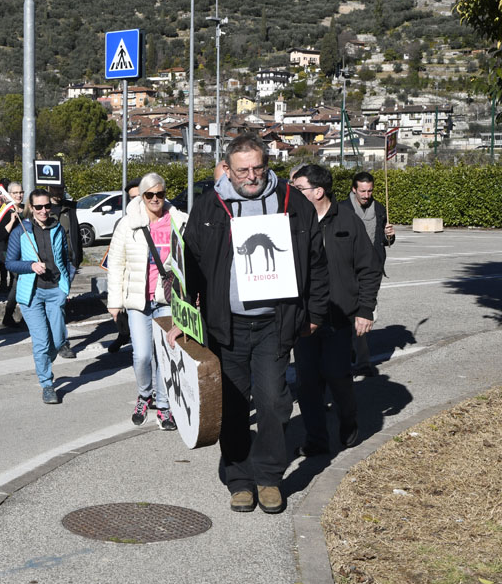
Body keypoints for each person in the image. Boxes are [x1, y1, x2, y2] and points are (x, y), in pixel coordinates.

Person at [169, 132, 329, 515]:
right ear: (227, 168)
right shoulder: (209, 207)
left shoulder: (293, 204)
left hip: (275, 323)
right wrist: (182, 319)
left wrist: (317, 314)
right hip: (226, 329)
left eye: (258, 167)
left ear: (266, 164)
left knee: (274, 402)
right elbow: (185, 267)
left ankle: (270, 477)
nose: (251, 176)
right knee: (234, 407)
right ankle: (239, 479)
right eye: (243, 170)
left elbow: (317, 264)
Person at [290, 164, 381, 456]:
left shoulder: (348, 221)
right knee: (307, 382)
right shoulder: (291, 220)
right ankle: (316, 439)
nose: (292, 193)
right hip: (303, 318)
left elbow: (369, 268)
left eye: (298, 188)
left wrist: (365, 309)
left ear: (318, 191)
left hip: (339, 315)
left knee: (337, 375)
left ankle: (348, 420)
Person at [106, 173, 185, 430]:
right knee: (142, 356)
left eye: (159, 194)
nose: (155, 199)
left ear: (165, 194)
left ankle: (163, 407)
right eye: (149, 195)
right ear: (141, 196)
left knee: (165, 356)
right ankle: (144, 395)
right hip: (138, 301)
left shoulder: (178, 220)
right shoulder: (128, 224)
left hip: (167, 300)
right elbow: (116, 264)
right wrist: (114, 301)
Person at [6, 188, 76, 404]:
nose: (44, 210)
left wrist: (66, 285)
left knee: (57, 341)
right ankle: (47, 384)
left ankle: (46, 361)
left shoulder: (57, 228)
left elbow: (67, 258)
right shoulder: (21, 231)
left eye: (47, 206)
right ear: (31, 208)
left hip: (55, 291)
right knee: (42, 342)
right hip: (32, 294)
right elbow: (10, 262)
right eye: (39, 207)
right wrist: (31, 265)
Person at [340, 171, 396, 378]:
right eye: (362, 191)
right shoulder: (341, 209)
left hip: (371, 270)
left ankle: (357, 356)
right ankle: (360, 362)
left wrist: (390, 236)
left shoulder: (380, 209)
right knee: (353, 316)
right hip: (346, 270)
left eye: (370, 190)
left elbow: (384, 241)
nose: (366, 195)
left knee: (366, 315)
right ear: (354, 189)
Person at [107, 177, 141, 353]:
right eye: (132, 198)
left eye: (139, 196)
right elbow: (115, 259)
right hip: (129, 283)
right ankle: (123, 334)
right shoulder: (123, 224)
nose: (135, 202)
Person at [48, 185, 81, 359]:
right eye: (55, 191)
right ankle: (61, 342)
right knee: (58, 302)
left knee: (59, 302)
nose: (58, 194)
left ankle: (58, 339)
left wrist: (77, 258)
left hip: (69, 261)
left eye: (60, 191)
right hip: (51, 263)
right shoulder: (43, 208)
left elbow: (75, 232)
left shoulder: (70, 208)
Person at [0, 183, 27, 328]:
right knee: (19, 281)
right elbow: (1, 235)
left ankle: (9, 315)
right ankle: (10, 315)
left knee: (18, 284)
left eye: (21, 192)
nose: (18, 195)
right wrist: (12, 220)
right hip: (11, 252)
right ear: (9, 194)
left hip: (26, 252)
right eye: (15, 193)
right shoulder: (5, 211)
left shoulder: (27, 210)